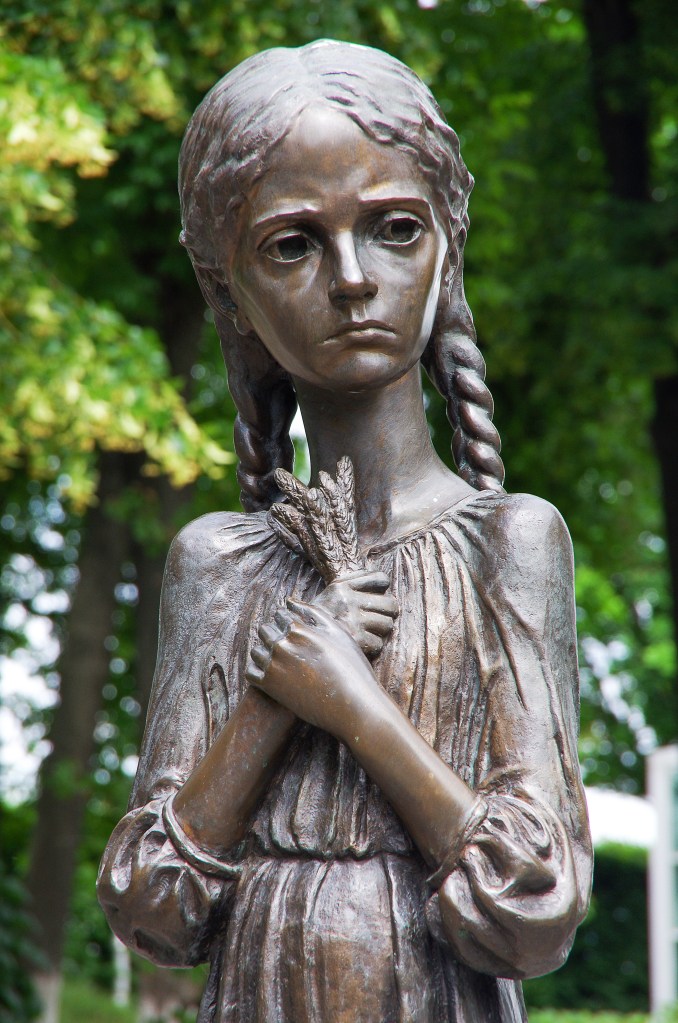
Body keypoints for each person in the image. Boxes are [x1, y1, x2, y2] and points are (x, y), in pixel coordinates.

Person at [97, 40, 592, 1023]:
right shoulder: (217, 565)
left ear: (447, 248)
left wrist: (354, 705)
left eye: (395, 229)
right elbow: (153, 909)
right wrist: (270, 703)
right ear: (228, 293)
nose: (354, 278)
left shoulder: (510, 544)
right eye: (293, 245)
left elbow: (537, 909)